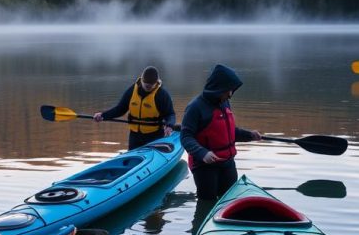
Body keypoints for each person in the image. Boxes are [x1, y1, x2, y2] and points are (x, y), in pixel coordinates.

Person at [181, 64, 262, 201]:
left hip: (228, 164)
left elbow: (228, 133)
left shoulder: (224, 103)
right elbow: (185, 136)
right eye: (228, 90)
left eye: (232, 90)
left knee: (230, 200)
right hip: (205, 167)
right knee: (207, 204)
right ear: (218, 88)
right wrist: (203, 153)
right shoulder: (195, 107)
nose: (230, 95)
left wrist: (250, 135)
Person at [93, 66, 176, 150]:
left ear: (156, 83)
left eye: (151, 86)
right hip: (135, 136)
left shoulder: (162, 95)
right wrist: (103, 115)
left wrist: (169, 125)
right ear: (142, 80)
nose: (148, 88)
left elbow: (170, 114)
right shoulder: (132, 91)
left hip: (154, 136)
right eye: (146, 85)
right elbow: (120, 109)